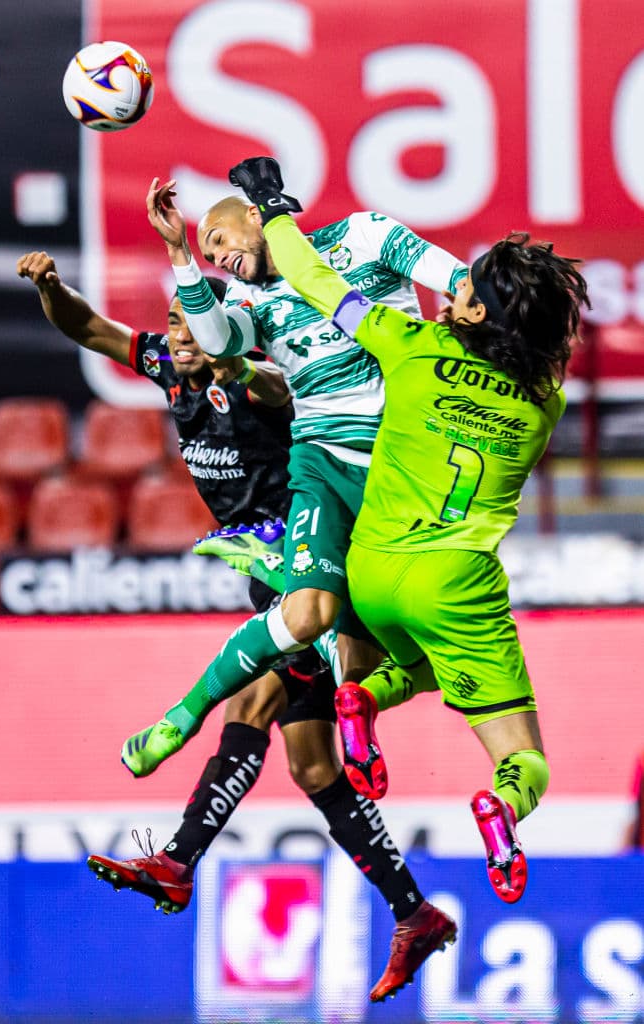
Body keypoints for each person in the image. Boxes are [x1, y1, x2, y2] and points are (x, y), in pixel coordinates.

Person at [16, 250, 453, 1003]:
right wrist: (53, 289)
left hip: (317, 555)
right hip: (264, 565)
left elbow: (283, 392)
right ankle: (413, 911)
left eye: (196, 324)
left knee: (254, 702)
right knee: (313, 768)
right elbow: (89, 329)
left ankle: (182, 860)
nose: (179, 335)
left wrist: (242, 371)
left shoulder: (253, 374)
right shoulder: (167, 364)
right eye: (175, 324)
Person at [225, 157, 590, 906]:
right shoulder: (543, 403)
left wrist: (271, 205)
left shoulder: (411, 347)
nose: (448, 288)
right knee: (527, 760)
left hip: (372, 568)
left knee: (423, 665)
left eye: (460, 287)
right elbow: (540, 350)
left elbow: (314, 279)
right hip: (453, 584)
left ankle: (358, 699)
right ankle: (499, 809)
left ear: (476, 313)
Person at [121, 175, 466, 779]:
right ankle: (181, 717)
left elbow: (456, 278)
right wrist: (178, 252)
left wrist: (471, 313)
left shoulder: (365, 236)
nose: (218, 255)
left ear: (258, 217)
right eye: (209, 253)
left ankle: (359, 711)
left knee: (420, 650)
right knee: (307, 616)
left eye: (220, 238)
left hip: (400, 466)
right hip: (322, 463)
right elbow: (217, 338)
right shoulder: (250, 303)